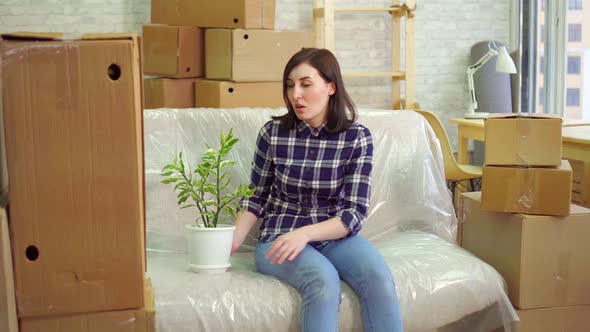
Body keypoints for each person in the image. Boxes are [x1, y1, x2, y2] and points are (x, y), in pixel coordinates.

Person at [231, 48, 403, 332]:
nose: (295, 94)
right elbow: (256, 197)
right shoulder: (273, 134)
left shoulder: (357, 138)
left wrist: (306, 233)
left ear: (331, 87)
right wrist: (232, 240)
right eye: (289, 85)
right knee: (322, 280)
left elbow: (354, 213)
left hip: (333, 236)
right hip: (279, 236)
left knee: (378, 278)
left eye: (305, 84)